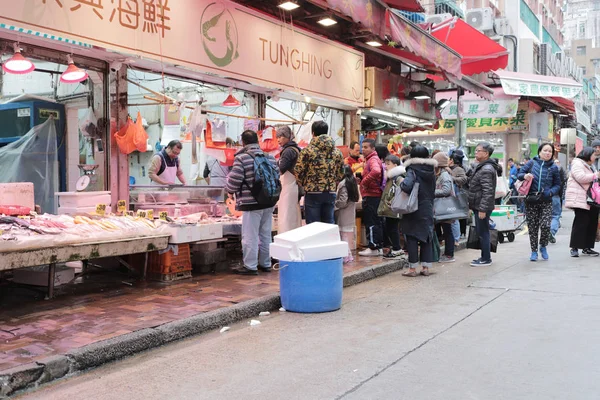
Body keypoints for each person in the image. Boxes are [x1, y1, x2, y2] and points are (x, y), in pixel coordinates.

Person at [225, 130, 279, 275]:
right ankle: (265, 263)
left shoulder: (242, 158)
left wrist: (229, 190)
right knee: (266, 234)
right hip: (269, 201)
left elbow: (235, 180)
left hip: (251, 203)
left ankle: (250, 266)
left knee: (250, 235)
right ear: (257, 140)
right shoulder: (270, 157)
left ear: (243, 142)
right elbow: (277, 176)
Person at [517, 143, 561, 261]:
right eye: (545, 150)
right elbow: (519, 174)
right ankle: (534, 251)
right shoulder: (532, 163)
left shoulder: (554, 167)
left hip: (546, 200)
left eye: (550, 151)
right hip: (531, 199)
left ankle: (543, 246)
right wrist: (525, 175)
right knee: (533, 227)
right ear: (540, 152)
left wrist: (551, 192)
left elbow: (558, 184)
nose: (547, 153)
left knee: (546, 225)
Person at [295, 121, 344, 224]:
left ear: (313, 133)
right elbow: (341, 173)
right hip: (330, 191)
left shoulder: (307, 151)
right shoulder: (337, 152)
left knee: (313, 225)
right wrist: (332, 182)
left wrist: (304, 184)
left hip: (313, 192)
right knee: (328, 223)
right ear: (327, 132)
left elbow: (298, 171)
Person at [400, 145, 436, 277]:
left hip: (413, 207)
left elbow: (407, 186)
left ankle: (412, 269)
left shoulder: (412, 169)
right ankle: (426, 267)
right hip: (427, 206)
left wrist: (401, 182)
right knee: (426, 236)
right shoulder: (431, 170)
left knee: (412, 237)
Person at [467, 142, 499, 267]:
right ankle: (484, 256)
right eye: (475, 150)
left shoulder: (486, 169)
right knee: (482, 231)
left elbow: (488, 191)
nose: (476, 153)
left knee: (484, 232)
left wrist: (482, 209)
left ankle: (486, 258)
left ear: (486, 153)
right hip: (478, 205)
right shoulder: (482, 166)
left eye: (478, 150)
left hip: (481, 206)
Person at [565, 147, 600, 257]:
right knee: (581, 223)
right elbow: (581, 177)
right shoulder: (577, 163)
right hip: (581, 198)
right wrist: (596, 175)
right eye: (594, 155)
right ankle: (574, 247)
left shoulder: (591, 166)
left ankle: (587, 247)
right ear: (587, 155)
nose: (595, 158)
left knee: (592, 223)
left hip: (591, 199)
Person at [358, 139, 385, 256]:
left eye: (366, 147)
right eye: (362, 147)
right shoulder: (370, 159)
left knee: (371, 221)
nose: (363, 149)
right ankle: (377, 246)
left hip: (372, 195)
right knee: (376, 221)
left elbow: (376, 171)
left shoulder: (372, 160)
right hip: (374, 195)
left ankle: (373, 247)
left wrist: (364, 182)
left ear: (373, 149)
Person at [377, 154, 405, 258]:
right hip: (390, 208)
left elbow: (400, 192)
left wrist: (392, 201)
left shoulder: (398, 178)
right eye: (385, 163)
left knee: (393, 228)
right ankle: (396, 248)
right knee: (390, 228)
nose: (385, 166)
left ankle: (397, 248)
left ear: (396, 165)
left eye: (388, 164)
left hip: (394, 208)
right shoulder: (391, 177)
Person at [275, 126, 302, 234]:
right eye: (277, 137)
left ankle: (286, 238)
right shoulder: (296, 149)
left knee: (286, 216)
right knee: (292, 215)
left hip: (289, 187)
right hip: (292, 186)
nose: (278, 139)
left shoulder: (288, 151)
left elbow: (281, 169)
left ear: (287, 137)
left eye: (281, 136)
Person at [433, 152, 456, 263]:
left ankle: (449, 254)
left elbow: (446, 191)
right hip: (442, 207)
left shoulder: (444, 175)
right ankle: (447, 253)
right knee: (446, 231)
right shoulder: (441, 174)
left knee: (447, 231)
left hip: (445, 207)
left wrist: (432, 192)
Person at [335, 165, 359, 263]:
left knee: (343, 235)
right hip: (350, 213)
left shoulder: (343, 184)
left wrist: (335, 203)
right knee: (344, 235)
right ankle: (347, 255)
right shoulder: (352, 182)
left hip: (343, 213)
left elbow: (343, 200)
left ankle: (346, 255)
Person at [449, 150, 467, 244]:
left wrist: (452, 179)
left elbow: (464, 179)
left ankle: (456, 238)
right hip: (451, 196)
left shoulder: (459, 169)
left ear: (452, 160)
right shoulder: (450, 168)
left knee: (454, 218)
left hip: (455, 196)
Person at [549, 158, 567, 243]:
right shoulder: (561, 171)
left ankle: (546, 233)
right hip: (556, 196)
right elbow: (562, 185)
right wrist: (561, 197)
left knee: (545, 215)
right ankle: (551, 232)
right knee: (555, 215)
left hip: (545, 196)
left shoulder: (545, 169)